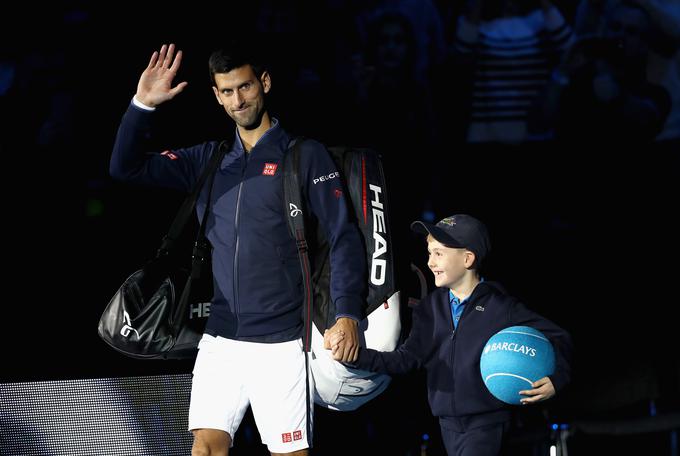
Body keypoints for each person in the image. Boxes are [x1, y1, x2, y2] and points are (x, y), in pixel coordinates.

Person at [109, 41, 366, 456]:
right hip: (220, 336)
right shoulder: (208, 160)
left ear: (263, 83)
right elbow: (125, 167)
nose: (237, 100)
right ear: (216, 95)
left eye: (244, 87)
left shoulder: (305, 155)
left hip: (284, 341)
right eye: (226, 92)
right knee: (206, 447)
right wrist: (143, 105)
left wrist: (347, 312)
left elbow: (343, 237)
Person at [326, 214, 573, 456]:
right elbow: (405, 360)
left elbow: (559, 337)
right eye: (429, 252)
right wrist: (353, 355)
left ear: (467, 259)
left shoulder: (501, 307)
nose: (430, 262)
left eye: (439, 254)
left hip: (487, 423)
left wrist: (556, 379)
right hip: (446, 426)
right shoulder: (429, 309)